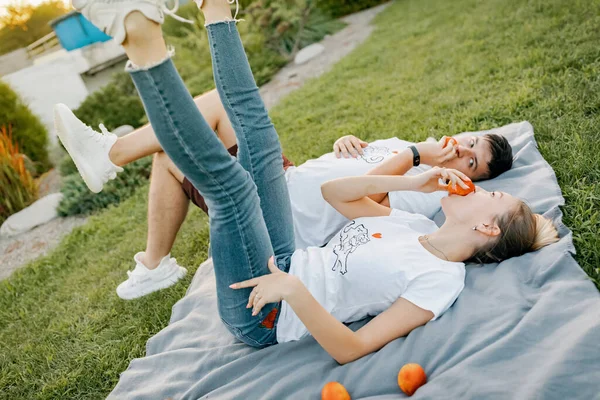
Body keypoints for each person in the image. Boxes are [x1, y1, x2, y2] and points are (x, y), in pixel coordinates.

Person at [59, 0, 559, 362]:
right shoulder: (414, 230)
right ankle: (215, 9)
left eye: (488, 187)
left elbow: (355, 348)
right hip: (284, 256)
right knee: (257, 131)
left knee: (231, 188)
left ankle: (140, 38)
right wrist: (417, 180)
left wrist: (294, 291)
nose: (467, 170)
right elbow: (332, 193)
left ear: (488, 230)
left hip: (265, 312)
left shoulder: (441, 279)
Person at [56, 90, 512, 300]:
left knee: (212, 109)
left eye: (473, 163)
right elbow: (354, 165)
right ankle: (154, 266)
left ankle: (111, 154)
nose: (462, 154)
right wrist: (351, 144)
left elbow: (366, 203)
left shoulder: (431, 192)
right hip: (284, 178)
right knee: (171, 155)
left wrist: (415, 157)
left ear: (474, 180)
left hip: (276, 210)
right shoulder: (410, 149)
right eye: (470, 143)